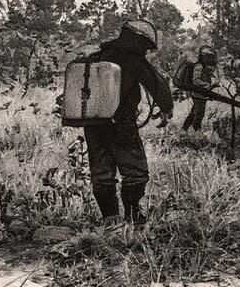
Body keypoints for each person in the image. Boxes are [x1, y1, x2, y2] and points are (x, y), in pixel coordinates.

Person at [84, 20, 173, 226]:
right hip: (122, 125)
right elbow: (157, 84)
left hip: (93, 124)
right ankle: (133, 217)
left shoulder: (96, 58)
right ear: (139, 41)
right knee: (135, 173)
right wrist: (167, 108)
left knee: (102, 174)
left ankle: (110, 219)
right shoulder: (132, 59)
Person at [182, 45, 218, 133]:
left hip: (201, 94)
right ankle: (196, 131)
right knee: (199, 114)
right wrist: (207, 85)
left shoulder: (204, 67)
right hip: (198, 94)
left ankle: (184, 129)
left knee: (194, 112)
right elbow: (196, 80)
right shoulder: (199, 67)